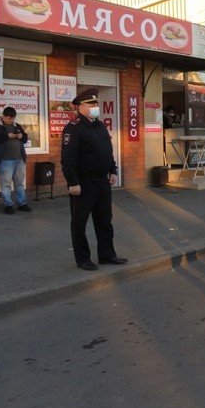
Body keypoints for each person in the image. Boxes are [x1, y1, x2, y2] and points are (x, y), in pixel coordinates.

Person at [61, 88, 127, 272]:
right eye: (91, 104)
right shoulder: (73, 128)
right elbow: (68, 159)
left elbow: (107, 151)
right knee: (79, 222)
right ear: (81, 107)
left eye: (96, 104)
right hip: (83, 183)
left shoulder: (99, 125)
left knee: (105, 220)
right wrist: (73, 182)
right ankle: (83, 259)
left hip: (102, 182)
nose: (95, 107)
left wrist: (113, 170)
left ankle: (107, 255)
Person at [0, 106, 32, 214]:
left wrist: (22, 136)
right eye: (8, 118)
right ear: (3, 116)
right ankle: (8, 205)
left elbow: (25, 139)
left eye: (12, 119)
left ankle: (22, 203)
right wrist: (7, 136)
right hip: (5, 160)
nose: (10, 120)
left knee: (19, 183)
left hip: (19, 159)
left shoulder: (17, 126)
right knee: (6, 184)